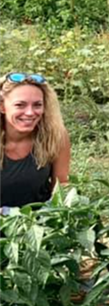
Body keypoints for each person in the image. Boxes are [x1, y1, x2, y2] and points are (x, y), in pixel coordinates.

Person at [0, 72, 70, 211]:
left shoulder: (55, 136)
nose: (30, 112)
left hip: (39, 224)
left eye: (37, 105)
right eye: (20, 105)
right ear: (2, 107)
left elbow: (61, 187)